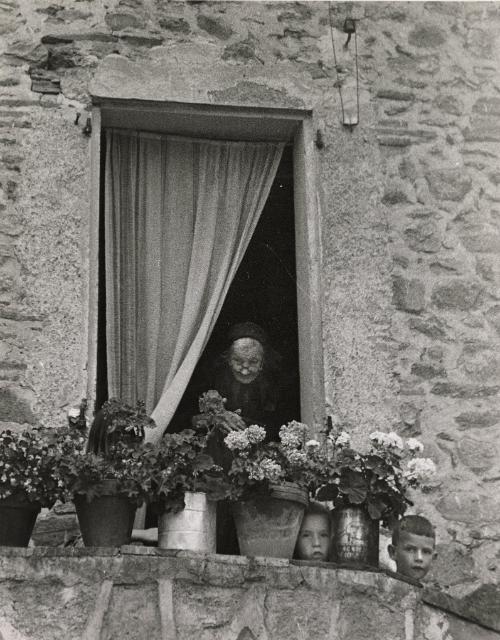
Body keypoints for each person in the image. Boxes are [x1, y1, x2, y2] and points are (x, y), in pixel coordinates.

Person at [388, 515, 437, 581]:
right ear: (393, 553)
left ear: (433, 557)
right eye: (410, 550)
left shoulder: (428, 591)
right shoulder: (379, 589)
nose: (419, 558)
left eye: (426, 552)